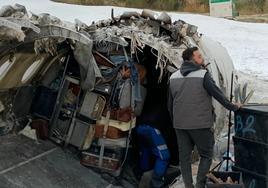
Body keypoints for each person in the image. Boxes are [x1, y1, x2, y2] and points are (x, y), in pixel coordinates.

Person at [168, 47, 241, 188]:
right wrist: (233, 107)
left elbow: (170, 105)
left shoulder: (173, 77)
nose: (202, 58)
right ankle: (200, 184)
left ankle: (189, 186)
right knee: (206, 155)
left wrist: (176, 121)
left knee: (184, 158)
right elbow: (218, 95)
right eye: (199, 56)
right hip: (200, 124)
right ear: (191, 59)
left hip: (180, 125)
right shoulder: (203, 75)